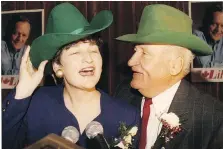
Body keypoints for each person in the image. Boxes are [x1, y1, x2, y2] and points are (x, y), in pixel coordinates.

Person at [2, 3, 140, 149]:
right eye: (75, 52)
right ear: (57, 67)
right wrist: (22, 93)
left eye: (93, 50)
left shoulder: (127, 115)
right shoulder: (35, 105)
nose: (88, 59)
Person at [116, 4, 223, 149]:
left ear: (175, 66)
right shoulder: (121, 96)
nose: (131, 61)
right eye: (135, 51)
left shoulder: (212, 119)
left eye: (144, 53)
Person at [193, 4, 223, 68]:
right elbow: (205, 67)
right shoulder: (197, 36)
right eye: (214, 24)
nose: (218, 30)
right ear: (206, 22)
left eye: (222, 26)